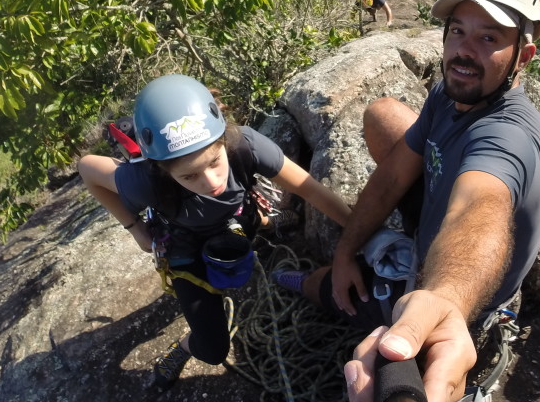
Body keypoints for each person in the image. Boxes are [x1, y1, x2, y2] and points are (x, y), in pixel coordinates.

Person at [274, 0, 540, 402]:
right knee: (385, 115)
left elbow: (479, 208)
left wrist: (443, 300)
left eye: (489, 38)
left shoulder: (507, 136)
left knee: (328, 285)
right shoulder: (452, 91)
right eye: (458, 30)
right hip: (439, 209)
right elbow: (393, 174)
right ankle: (346, 264)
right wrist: (347, 248)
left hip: (461, 287)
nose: (464, 51)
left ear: (523, 55)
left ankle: (301, 283)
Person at [78, 74, 352, 390]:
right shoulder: (144, 180)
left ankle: (268, 223)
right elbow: (87, 167)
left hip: (239, 218)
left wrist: (361, 236)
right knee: (213, 350)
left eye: (214, 162)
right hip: (186, 248)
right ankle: (183, 347)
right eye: (190, 176)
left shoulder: (245, 145)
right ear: (162, 169)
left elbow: (312, 191)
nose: (210, 182)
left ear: (223, 140)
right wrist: (135, 228)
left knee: (253, 219)